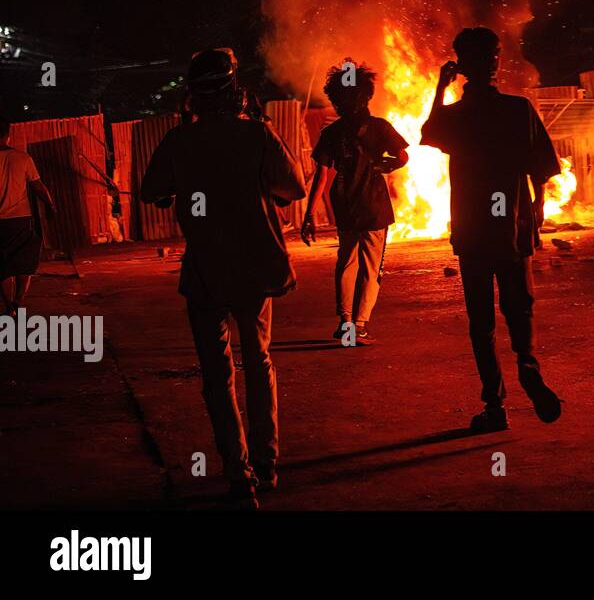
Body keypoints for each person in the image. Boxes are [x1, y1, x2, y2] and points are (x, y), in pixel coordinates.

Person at [140, 49, 306, 508]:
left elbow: (151, 190)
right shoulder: (257, 134)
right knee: (258, 363)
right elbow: (294, 188)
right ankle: (267, 465)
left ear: (193, 94)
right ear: (234, 88)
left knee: (217, 375)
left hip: (205, 273)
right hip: (254, 270)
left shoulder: (179, 141)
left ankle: (239, 474)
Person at [420, 27, 563, 433]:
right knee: (520, 308)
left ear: (460, 66)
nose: (496, 60)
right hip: (512, 228)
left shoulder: (457, 116)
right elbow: (543, 169)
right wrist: (535, 209)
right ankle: (529, 368)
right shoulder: (518, 109)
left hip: (473, 228)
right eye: (493, 55)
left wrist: (440, 86)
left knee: (480, 320)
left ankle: (494, 405)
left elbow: (428, 133)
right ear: (492, 62)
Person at [302, 59, 408, 345]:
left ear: (336, 100)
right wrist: (384, 167)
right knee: (371, 267)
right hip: (374, 207)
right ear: (366, 96)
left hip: (345, 206)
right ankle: (359, 326)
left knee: (346, 263)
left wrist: (309, 215)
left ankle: (345, 322)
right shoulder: (380, 127)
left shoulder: (331, 134)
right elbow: (402, 157)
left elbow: (321, 177)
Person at [0, 119, 56, 316]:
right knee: (25, 261)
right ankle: (18, 301)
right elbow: (38, 186)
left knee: (2, 267)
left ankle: (9, 307)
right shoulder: (22, 158)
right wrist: (50, 205)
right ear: (8, 135)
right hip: (21, 219)